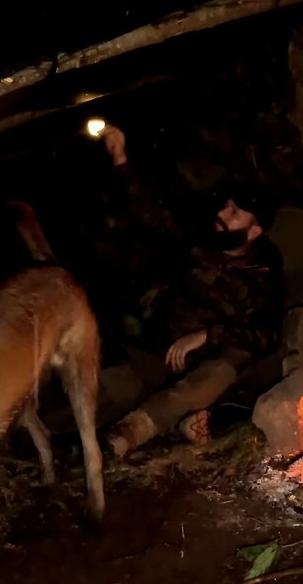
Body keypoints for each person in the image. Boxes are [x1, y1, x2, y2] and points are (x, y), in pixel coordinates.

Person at [95, 123, 286, 457]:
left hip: (214, 370)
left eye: (235, 213)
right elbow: (152, 216)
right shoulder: (202, 241)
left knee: (228, 363)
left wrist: (207, 335)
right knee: (107, 382)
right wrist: (121, 159)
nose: (222, 214)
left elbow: (266, 335)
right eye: (226, 206)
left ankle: (130, 433)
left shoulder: (263, 274)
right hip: (164, 352)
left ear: (254, 231)